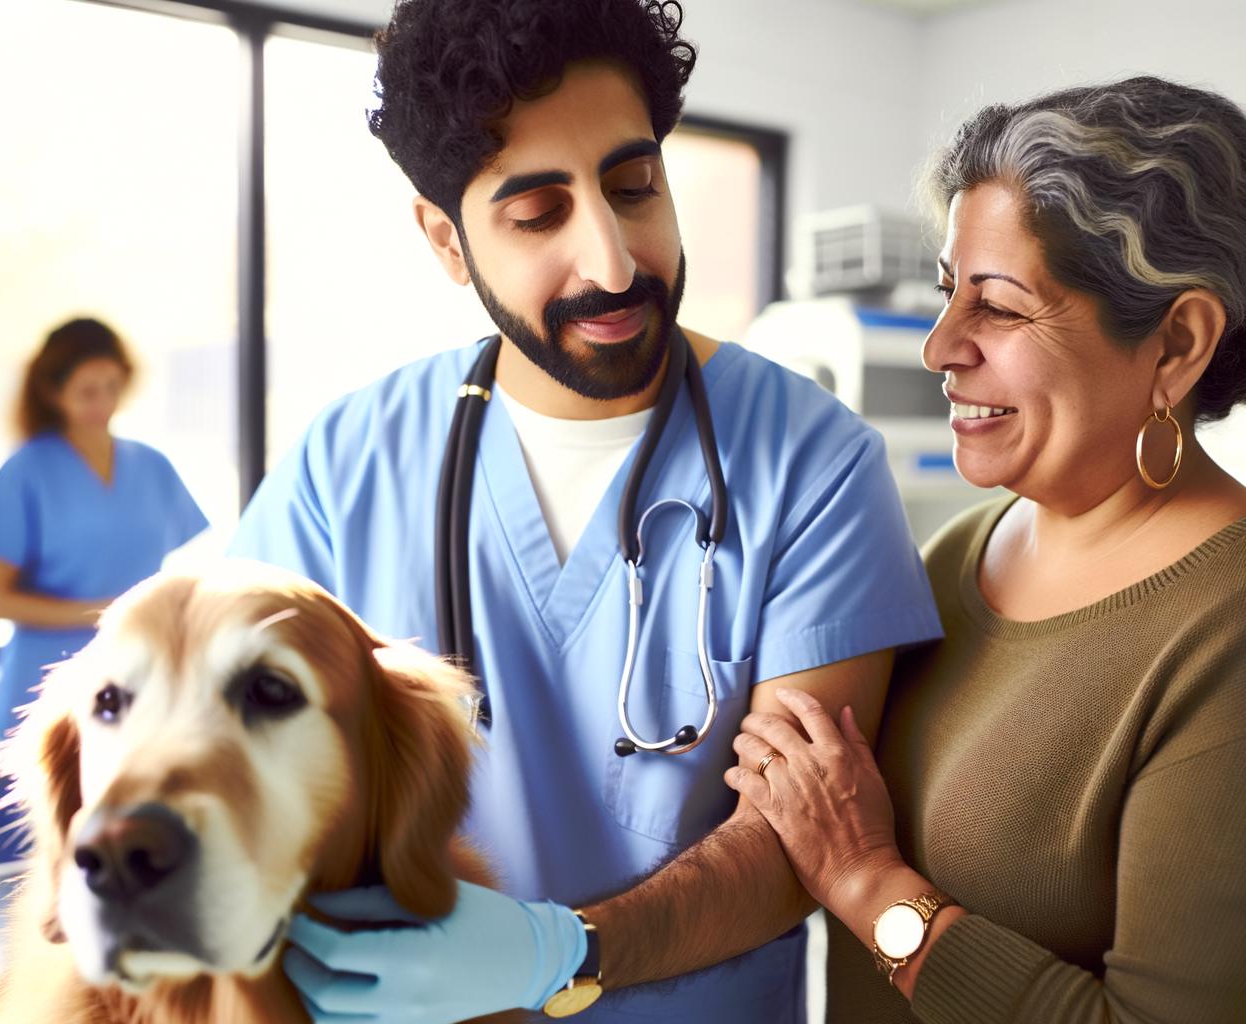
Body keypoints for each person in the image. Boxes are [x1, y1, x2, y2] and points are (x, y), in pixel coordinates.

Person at [226, 1, 941, 1020]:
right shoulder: (342, 467)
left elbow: (800, 841)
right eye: (536, 214)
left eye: (633, 186)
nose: (612, 262)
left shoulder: (812, 464)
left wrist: (559, 951)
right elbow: (243, 769)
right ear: (444, 238)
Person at [723, 77, 1246, 1023]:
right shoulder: (955, 555)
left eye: (1000, 309)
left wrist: (864, 880)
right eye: (946, 293)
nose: (939, 347)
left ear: (1176, 341)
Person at [0, 318, 208, 738]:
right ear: (54, 392)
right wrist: (108, 612)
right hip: (45, 679)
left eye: (112, 387)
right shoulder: (27, 471)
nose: (103, 403)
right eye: (87, 392)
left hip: (139, 672)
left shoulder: (153, 466)